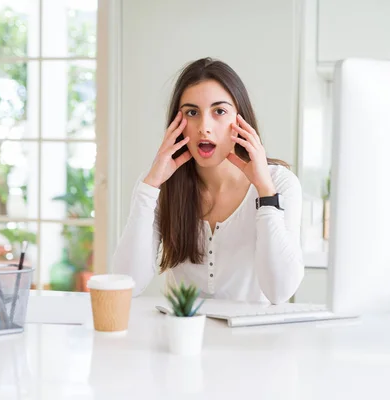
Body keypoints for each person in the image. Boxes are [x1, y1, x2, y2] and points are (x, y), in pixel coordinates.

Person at [113, 57, 304, 304]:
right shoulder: (158, 184)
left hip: (251, 340)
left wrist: (265, 192)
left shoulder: (280, 184)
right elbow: (127, 283)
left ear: (241, 120)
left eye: (219, 111)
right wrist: (149, 188)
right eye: (192, 113)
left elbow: (280, 291)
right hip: (180, 333)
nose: (204, 127)